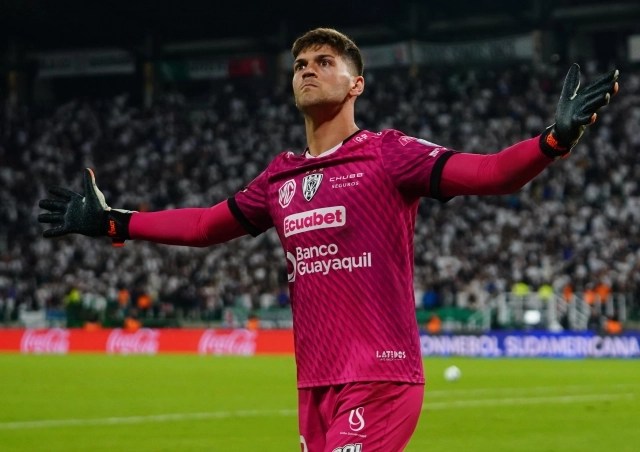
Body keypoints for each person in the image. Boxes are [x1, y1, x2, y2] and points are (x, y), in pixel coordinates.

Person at [38, 28, 619, 451]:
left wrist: (553, 140)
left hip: (381, 377)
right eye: (300, 65)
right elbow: (205, 226)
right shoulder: (280, 176)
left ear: (356, 83)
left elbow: (490, 173)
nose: (307, 70)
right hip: (315, 383)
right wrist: (115, 222)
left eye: (323, 61)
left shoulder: (388, 153)